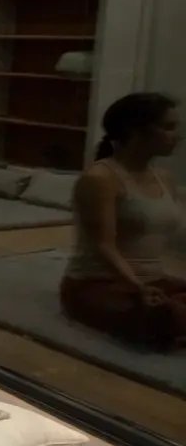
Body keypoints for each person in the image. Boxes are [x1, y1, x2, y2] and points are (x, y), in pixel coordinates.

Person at [61, 92, 185, 348]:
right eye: (168, 127)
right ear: (136, 131)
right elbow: (104, 246)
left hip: (154, 282)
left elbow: (174, 234)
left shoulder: (165, 178)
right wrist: (138, 286)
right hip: (97, 284)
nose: (178, 136)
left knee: (170, 312)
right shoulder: (100, 179)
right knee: (163, 318)